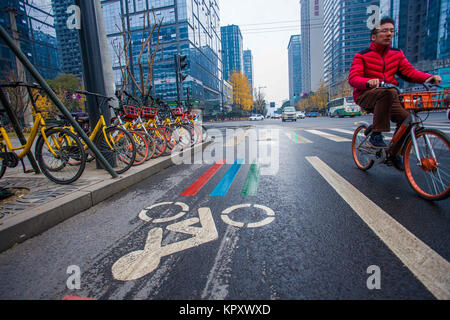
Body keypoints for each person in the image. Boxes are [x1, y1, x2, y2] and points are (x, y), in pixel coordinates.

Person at [348, 17, 441, 168]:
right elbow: (353, 78)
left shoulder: (397, 54)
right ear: (374, 36)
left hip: (389, 96)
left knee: (406, 120)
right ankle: (376, 134)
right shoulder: (362, 55)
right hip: (366, 95)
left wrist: (429, 77)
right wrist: (367, 82)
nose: (389, 34)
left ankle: (393, 153)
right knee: (389, 91)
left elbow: (410, 72)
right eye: (384, 31)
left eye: (391, 31)